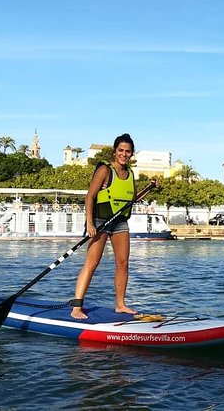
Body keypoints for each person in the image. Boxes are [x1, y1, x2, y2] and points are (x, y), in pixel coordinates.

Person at [71, 133, 147, 319]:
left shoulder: (130, 174)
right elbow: (89, 196)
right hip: (100, 221)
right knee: (92, 262)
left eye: (127, 151)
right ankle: (77, 307)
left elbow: (132, 199)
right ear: (115, 151)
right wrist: (89, 223)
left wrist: (150, 188)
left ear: (132, 153)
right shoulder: (105, 170)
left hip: (120, 222)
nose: (124, 154)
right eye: (120, 150)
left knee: (123, 263)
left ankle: (120, 305)